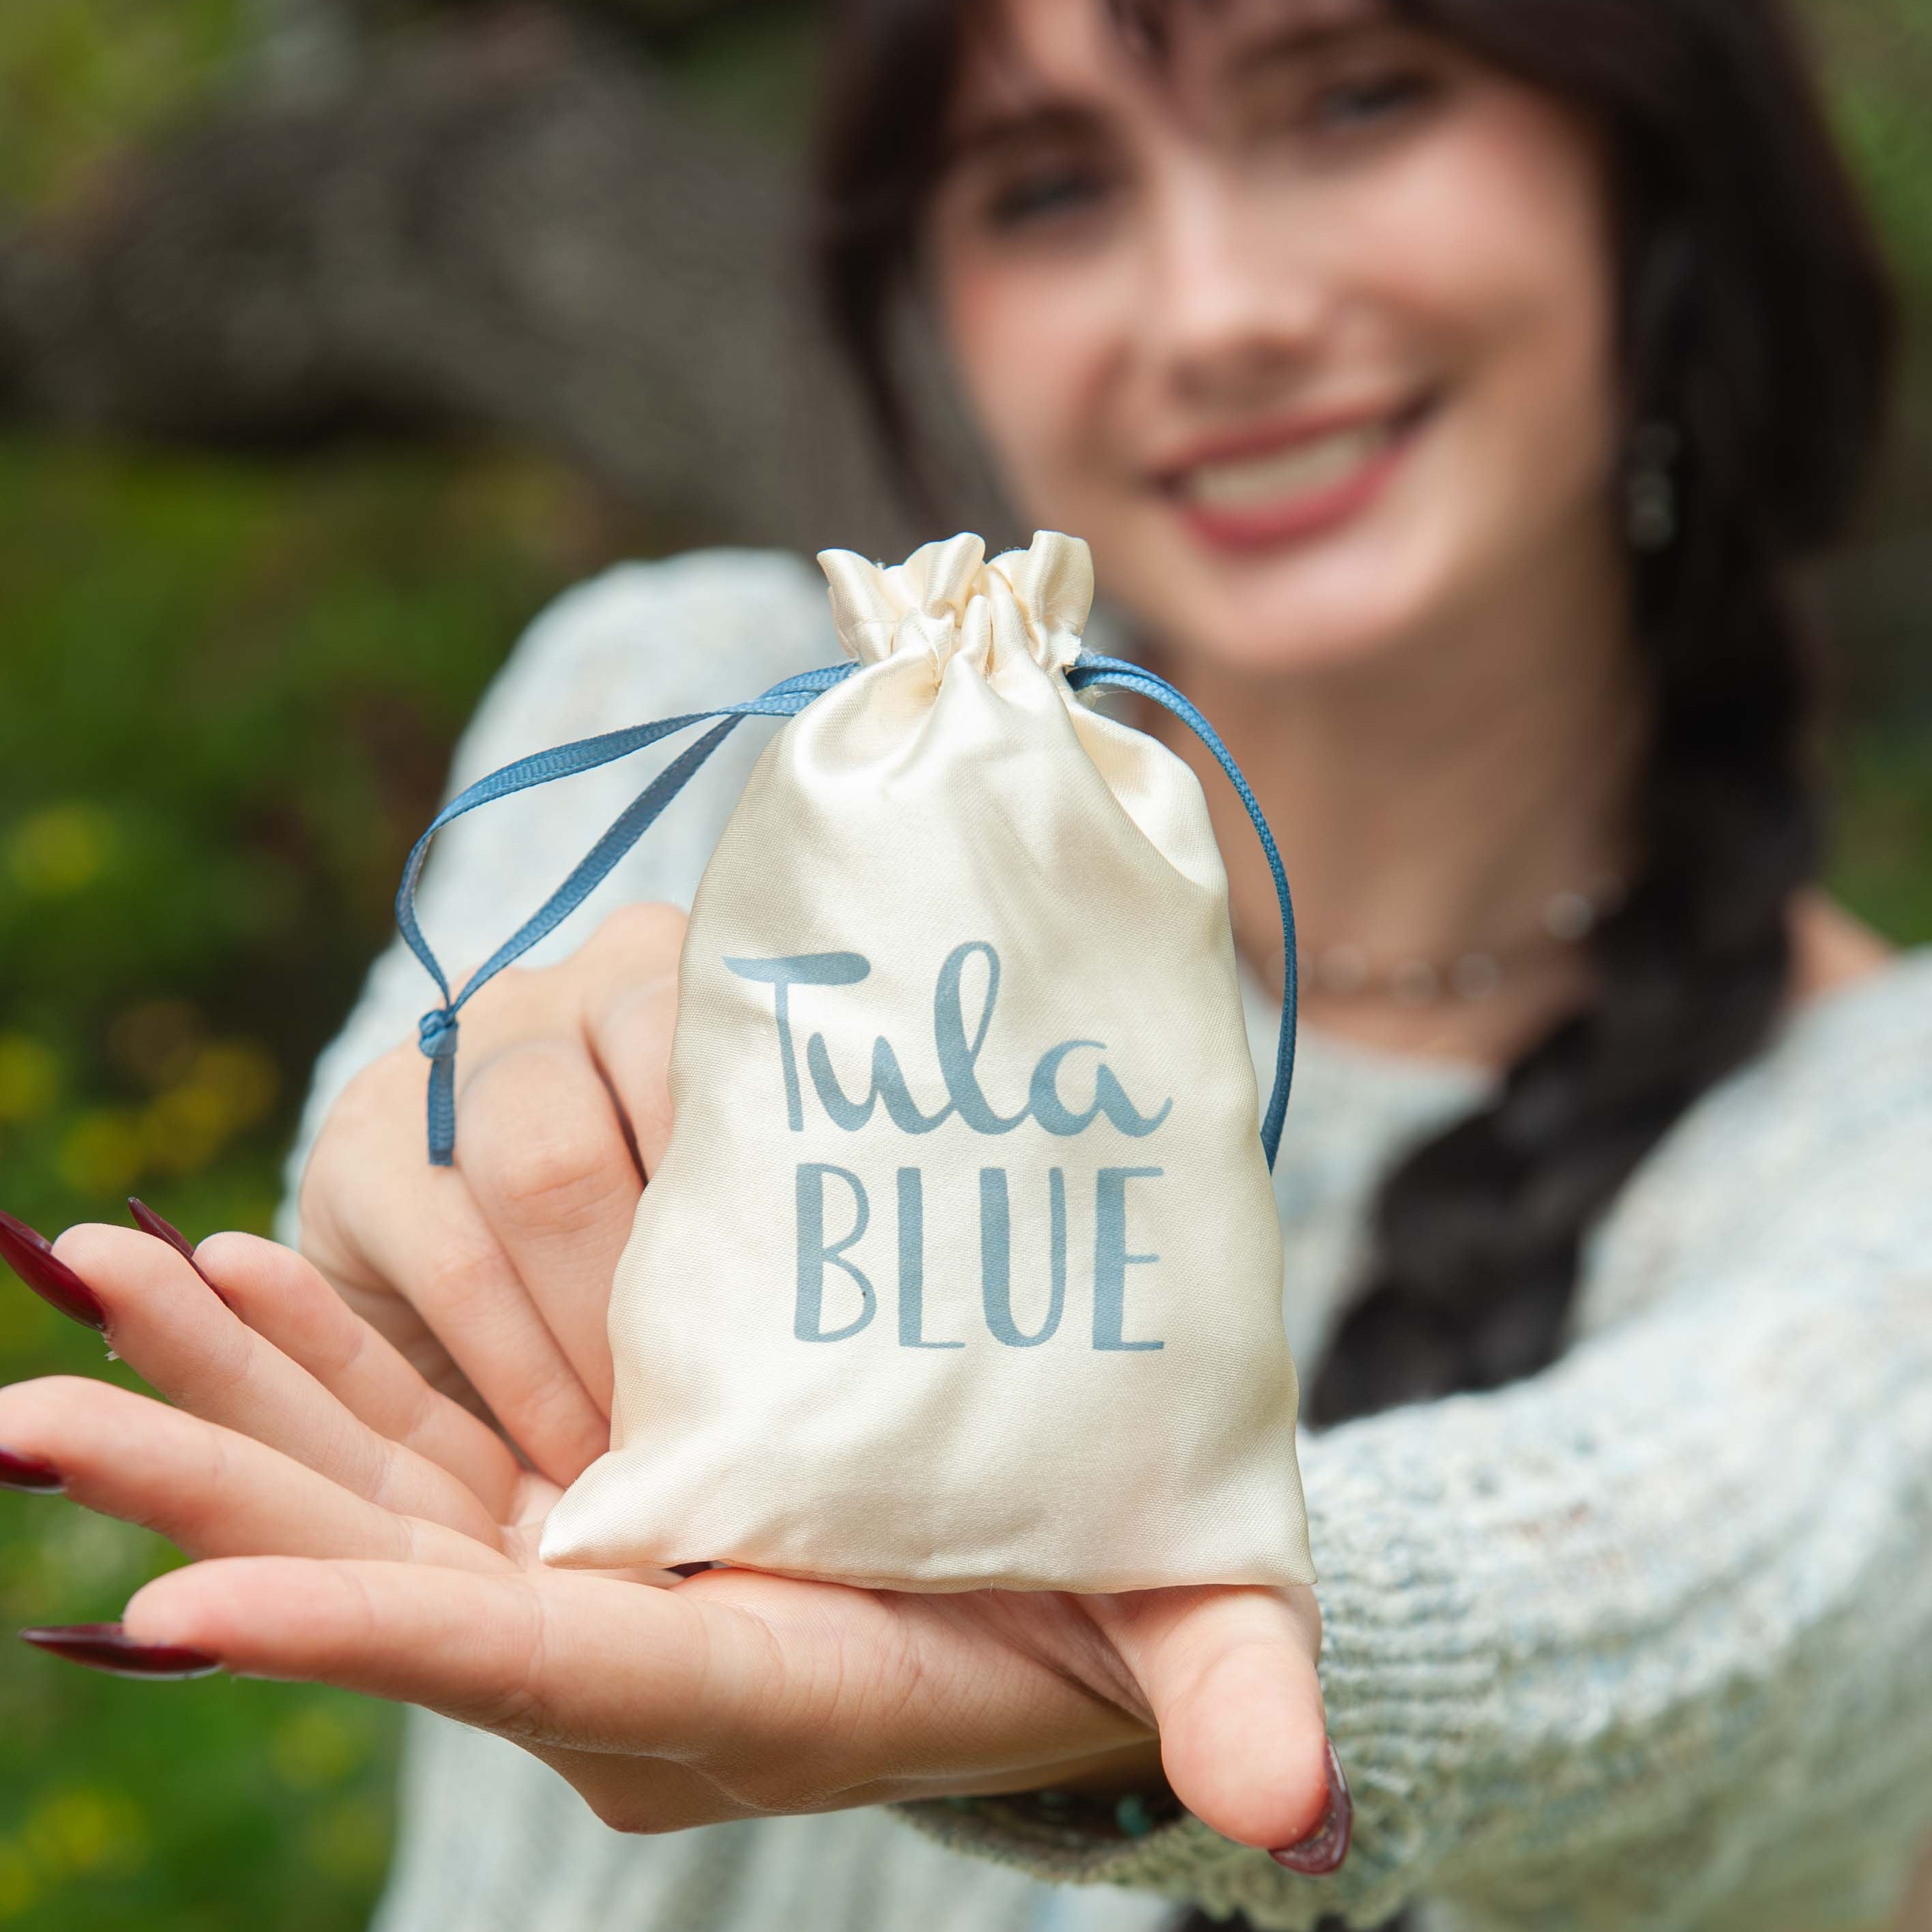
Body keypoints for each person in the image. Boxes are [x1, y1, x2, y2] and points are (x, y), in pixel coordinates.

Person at [1, 0, 1928, 1926]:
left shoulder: (1875, 1130)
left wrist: (1195, 1609)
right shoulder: (704, 731)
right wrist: (453, 1205)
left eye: (1353, 102)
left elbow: (1758, 1593)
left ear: (1672, 179)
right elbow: (424, 1175)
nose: (1211, 311)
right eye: (1052, 188)